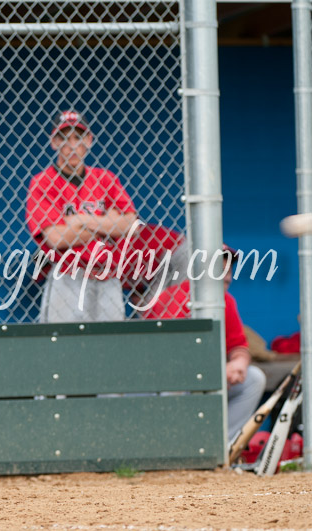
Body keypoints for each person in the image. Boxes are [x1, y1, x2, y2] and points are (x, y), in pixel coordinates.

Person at [26, 110, 138, 323]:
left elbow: (130, 224)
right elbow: (56, 238)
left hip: (107, 276)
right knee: (61, 340)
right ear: (54, 142)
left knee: (112, 340)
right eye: (64, 138)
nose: (72, 145)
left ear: (89, 141)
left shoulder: (105, 179)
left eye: (78, 137)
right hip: (67, 275)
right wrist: (106, 224)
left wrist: (80, 221)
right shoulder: (42, 183)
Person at [143, 245, 266, 438]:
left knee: (254, 379)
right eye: (220, 270)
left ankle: (222, 444)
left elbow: (238, 345)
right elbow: (167, 358)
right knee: (171, 387)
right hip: (166, 381)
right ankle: (172, 443)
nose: (227, 277)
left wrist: (238, 363)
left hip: (207, 377)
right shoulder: (174, 298)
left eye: (229, 271)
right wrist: (216, 371)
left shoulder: (226, 301)